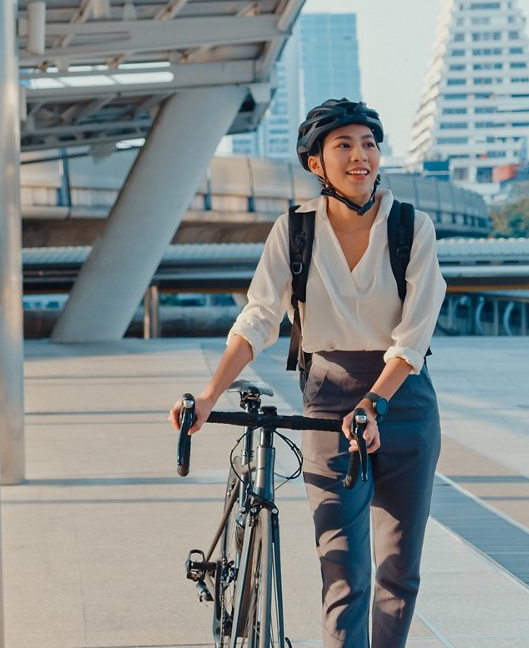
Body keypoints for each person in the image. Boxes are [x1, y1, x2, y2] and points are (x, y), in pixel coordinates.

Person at [168, 98, 446, 648]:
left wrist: (376, 404)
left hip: (403, 404)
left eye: (368, 143)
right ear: (316, 163)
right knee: (342, 571)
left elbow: (414, 336)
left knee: (399, 572)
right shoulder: (294, 231)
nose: (360, 155)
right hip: (327, 402)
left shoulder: (412, 227)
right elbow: (259, 318)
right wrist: (208, 394)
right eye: (343, 145)